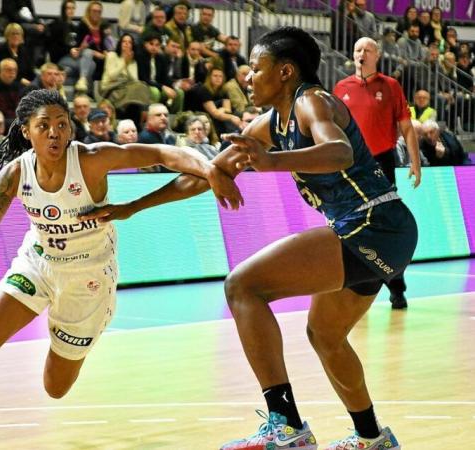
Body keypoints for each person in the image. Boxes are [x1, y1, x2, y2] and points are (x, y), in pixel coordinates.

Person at [82, 26, 418, 450]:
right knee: (326, 336)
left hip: (371, 222)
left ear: (285, 72)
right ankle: (373, 438)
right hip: (384, 231)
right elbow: (208, 174)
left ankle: (286, 426)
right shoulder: (270, 123)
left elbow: (339, 152)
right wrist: (134, 207)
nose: (247, 77)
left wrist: (270, 161)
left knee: (243, 286)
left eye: (256, 68)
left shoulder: (311, 101)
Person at [0, 88, 240, 450]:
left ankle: (74, 329)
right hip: (37, 264)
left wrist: (208, 168)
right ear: (27, 130)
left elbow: (162, 152)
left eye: (62, 124)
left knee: (55, 388)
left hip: (87, 277)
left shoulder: (91, 159)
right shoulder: (15, 172)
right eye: (44, 125)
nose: (55, 133)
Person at [333, 36, 421, 310]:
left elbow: (406, 127)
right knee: (347, 223)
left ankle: (397, 288)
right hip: (349, 163)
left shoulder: (391, 86)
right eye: (358, 49)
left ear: (377, 55)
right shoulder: (341, 87)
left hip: (381, 161)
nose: (362, 53)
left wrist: (415, 161)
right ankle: (352, 286)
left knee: (386, 224)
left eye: (367, 50)